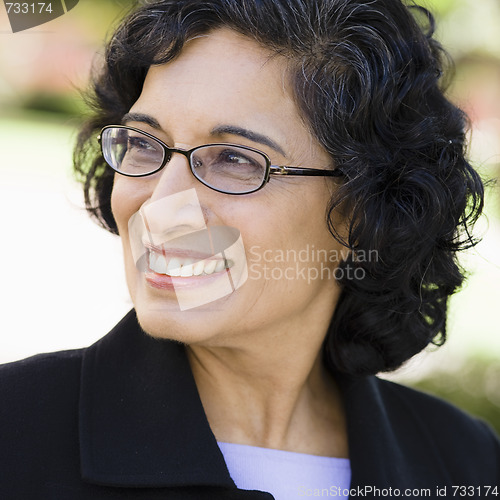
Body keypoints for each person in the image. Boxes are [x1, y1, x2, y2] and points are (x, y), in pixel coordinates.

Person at [0, 0, 499, 498]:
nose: (160, 207)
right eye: (145, 143)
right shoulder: (15, 435)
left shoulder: (466, 465)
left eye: (235, 159)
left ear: (365, 213)